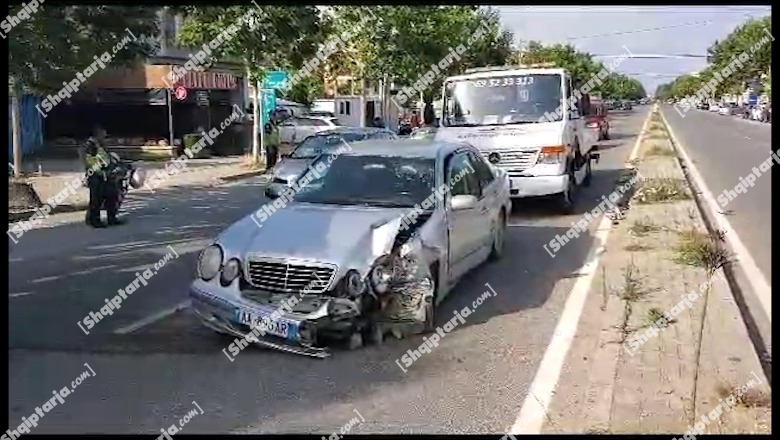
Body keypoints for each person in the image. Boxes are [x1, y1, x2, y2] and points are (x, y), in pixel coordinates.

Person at [84, 128, 121, 227]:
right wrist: (101, 171)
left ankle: (111, 219)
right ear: (97, 134)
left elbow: (106, 157)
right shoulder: (90, 145)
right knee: (97, 199)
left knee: (112, 196)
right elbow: (90, 161)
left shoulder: (99, 145)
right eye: (103, 136)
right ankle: (94, 221)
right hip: (96, 176)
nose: (105, 138)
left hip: (106, 175)